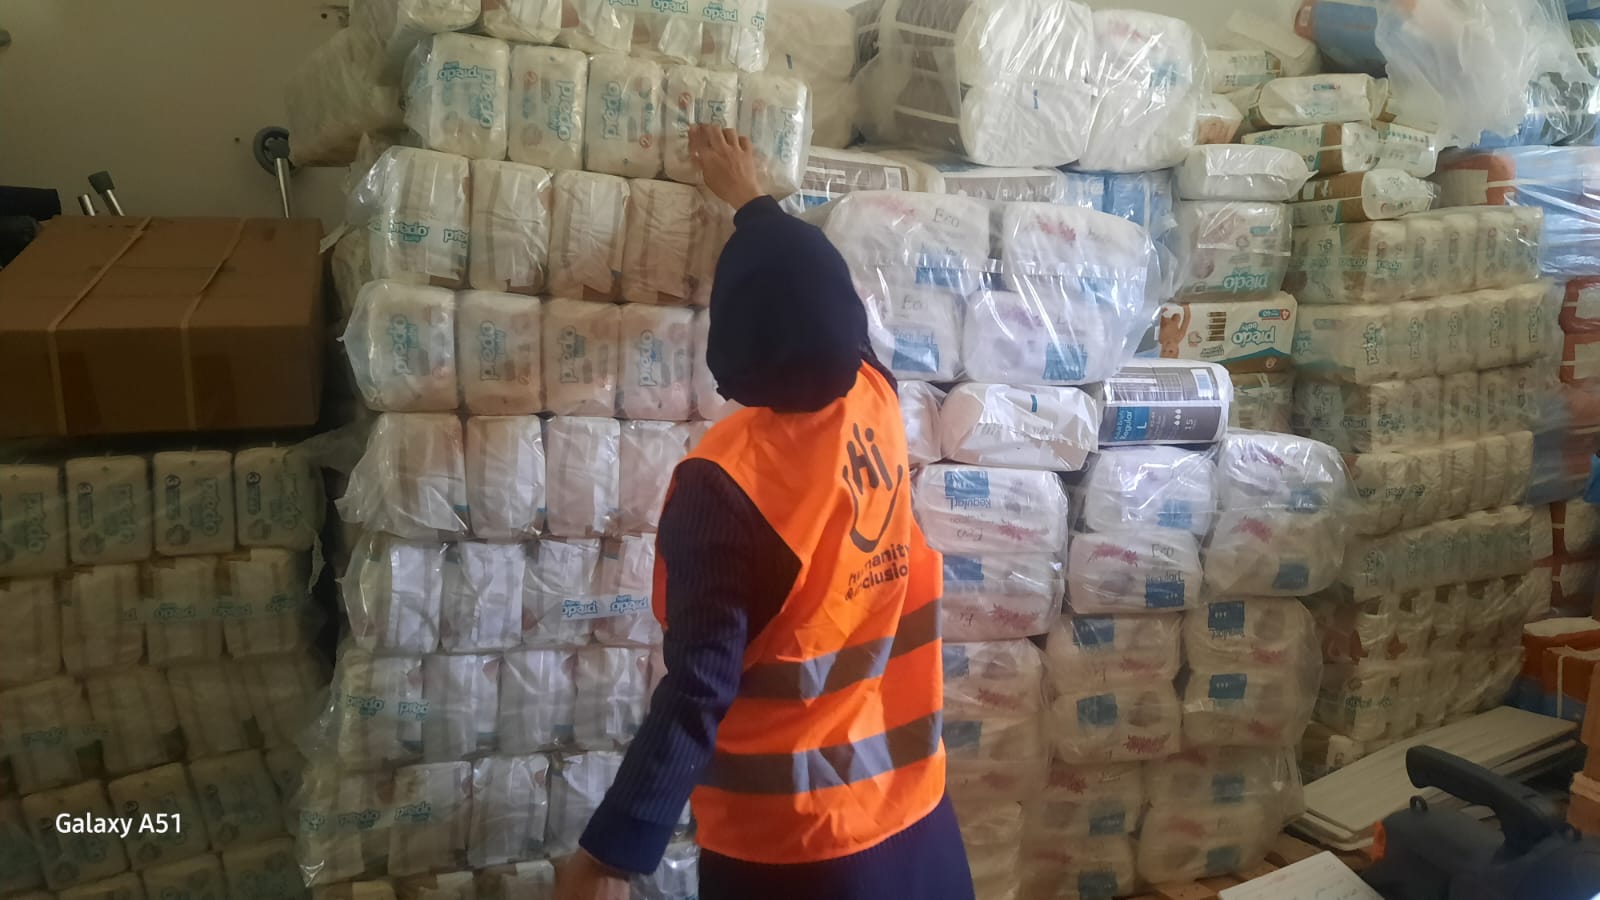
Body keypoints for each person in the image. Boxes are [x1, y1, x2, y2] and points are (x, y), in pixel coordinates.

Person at [554, 125, 975, 900]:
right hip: (915, 815)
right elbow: (815, 303)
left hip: (796, 851)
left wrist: (611, 851)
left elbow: (697, 689)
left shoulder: (724, 486)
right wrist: (753, 201)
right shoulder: (875, 397)